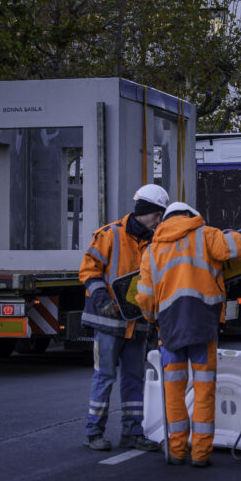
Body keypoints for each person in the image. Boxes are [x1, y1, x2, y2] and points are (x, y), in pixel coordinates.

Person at [135, 202, 241, 467]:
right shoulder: (207, 235)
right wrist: (238, 233)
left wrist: (154, 320)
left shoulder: (152, 250)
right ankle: (200, 453)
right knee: (204, 391)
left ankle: (176, 450)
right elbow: (237, 248)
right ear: (191, 216)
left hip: (170, 329)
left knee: (173, 393)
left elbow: (146, 298)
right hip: (204, 326)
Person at [80, 184, 169, 453]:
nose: (160, 220)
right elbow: (88, 271)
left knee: (134, 380)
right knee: (105, 377)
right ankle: (94, 433)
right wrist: (103, 301)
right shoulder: (109, 235)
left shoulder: (156, 241)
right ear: (147, 211)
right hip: (108, 323)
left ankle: (133, 433)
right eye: (158, 214)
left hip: (137, 324)